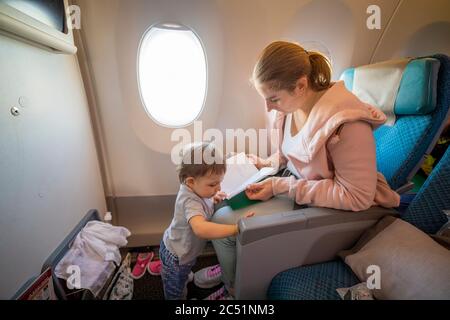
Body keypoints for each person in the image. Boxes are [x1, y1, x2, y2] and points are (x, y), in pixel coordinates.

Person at [211, 40, 400, 297]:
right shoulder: (290, 107)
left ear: (301, 85)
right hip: (295, 185)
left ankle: (235, 290)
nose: (268, 107)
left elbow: (357, 196)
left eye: (273, 99)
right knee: (220, 199)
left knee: (222, 224)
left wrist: (280, 185)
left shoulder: (347, 126)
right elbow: (294, 152)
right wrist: (266, 163)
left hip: (326, 206)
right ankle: (231, 275)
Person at [159, 142, 254, 300]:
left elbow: (204, 201)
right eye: (212, 184)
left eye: (219, 182)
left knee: (184, 272)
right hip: (176, 256)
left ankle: (176, 274)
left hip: (184, 251)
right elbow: (200, 228)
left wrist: (213, 197)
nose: (218, 188)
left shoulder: (200, 190)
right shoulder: (189, 201)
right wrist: (235, 228)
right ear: (190, 182)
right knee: (175, 288)